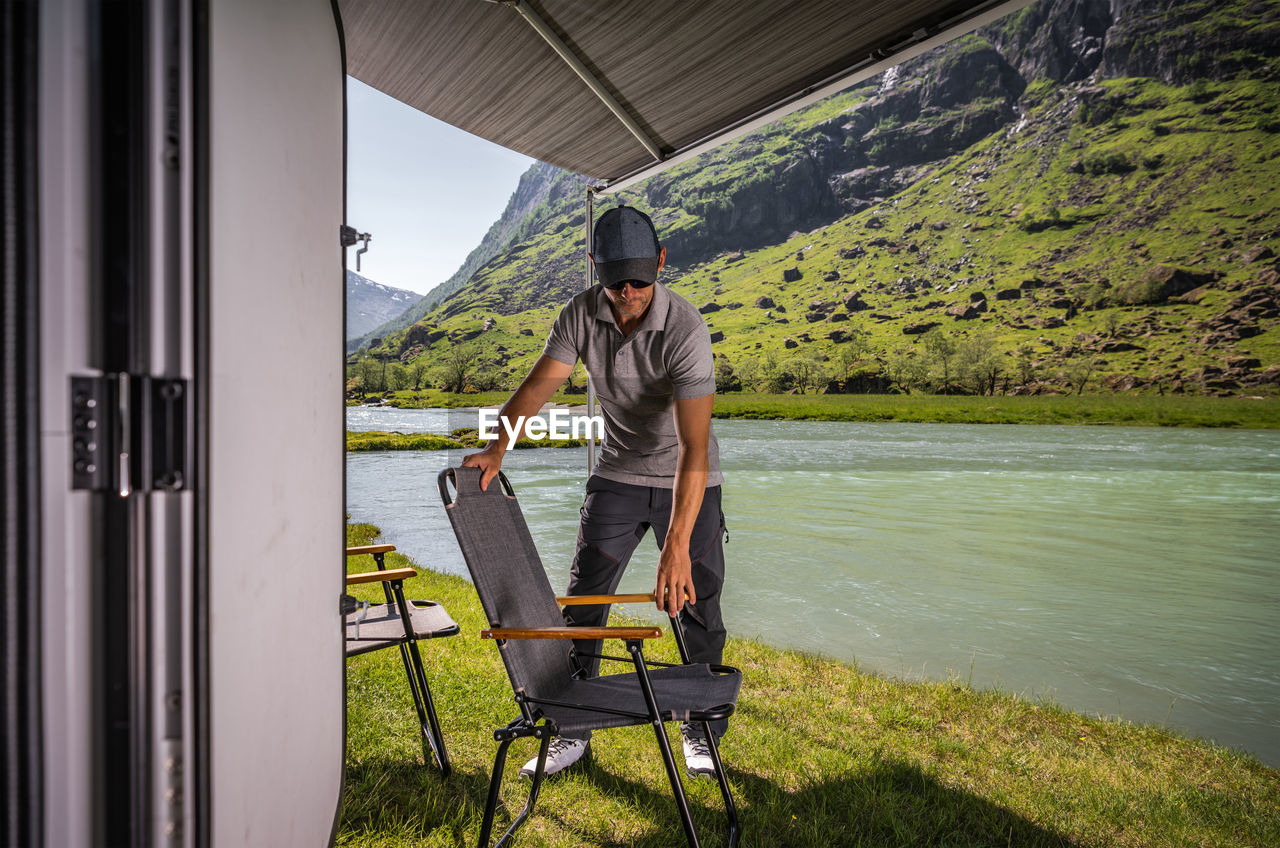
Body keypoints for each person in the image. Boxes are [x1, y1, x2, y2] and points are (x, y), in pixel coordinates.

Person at [462, 204, 728, 780]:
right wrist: (498, 448)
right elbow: (539, 387)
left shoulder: (686, 328)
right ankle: (573, 728)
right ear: (595, 270)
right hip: (618, 474)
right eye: (616, 282)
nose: (629, 293)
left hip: (689, 477)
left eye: (640, 280)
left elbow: (694, 449)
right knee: (583, 598)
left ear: (661, 262)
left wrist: (677, 543)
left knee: (697, 603)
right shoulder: (579, 316)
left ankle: (699, 725)